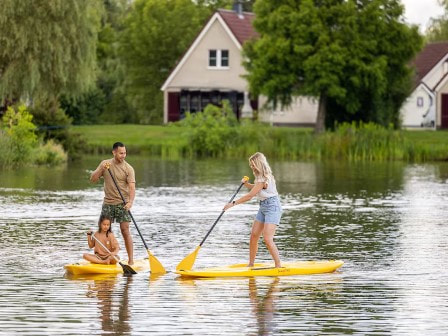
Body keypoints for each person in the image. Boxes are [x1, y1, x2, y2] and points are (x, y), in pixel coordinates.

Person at [223, 152, 282, 268]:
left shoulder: (264, 178)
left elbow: (250, 196)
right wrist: (247, 184)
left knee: (267, 238)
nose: (252, 167)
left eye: (253, 164)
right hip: (263, 206)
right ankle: (251, 264)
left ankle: (278, 266)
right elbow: (256, 189)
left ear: (259, 164)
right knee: (254, 235)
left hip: (272, 207)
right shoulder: (260, 177)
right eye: (251, 165)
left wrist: (232, 204)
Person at [90, 142, 135, 265]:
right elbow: (93, 179)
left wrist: (130, 202)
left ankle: (131, 261)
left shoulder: (128, 168)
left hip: (123, 204)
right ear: (114, 152)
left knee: (125, 230)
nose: (123, 155)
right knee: (103, 231)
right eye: (121, 153)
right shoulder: (105, 164)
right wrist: (101, 169)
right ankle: (101, 257)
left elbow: (132, 187)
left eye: (125, 153)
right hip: (108, 203)